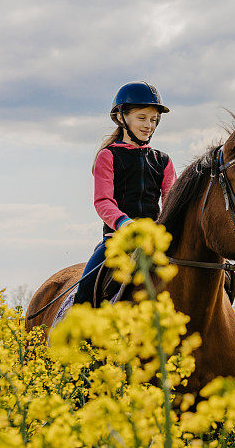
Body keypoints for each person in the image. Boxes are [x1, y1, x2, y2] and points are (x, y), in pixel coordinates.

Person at [73, 82, 177, 305]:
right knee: (86, 289)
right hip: (117, 240)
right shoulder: (108, 156)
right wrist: (126, 224)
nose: (149, 125)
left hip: (155, 242)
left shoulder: (164, 161)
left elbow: (172, 203)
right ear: (121, 118)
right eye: (142, 118)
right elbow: (103, 201)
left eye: (153, 120)